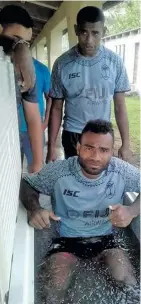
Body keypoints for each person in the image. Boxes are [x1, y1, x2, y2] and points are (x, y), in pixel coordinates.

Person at [20, 119, 140, 303]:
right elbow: (27, 183)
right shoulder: (59, 171)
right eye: (89, 147)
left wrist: (131, 211)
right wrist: (35, 209)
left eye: (104, 150)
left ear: (111, 152)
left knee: (128, 284)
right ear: (77, 147)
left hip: (106, 240)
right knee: (53, 291)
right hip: (66, 241)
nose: (95, 156)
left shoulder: (120, 171)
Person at [47, 6, 131, 163]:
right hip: (73, 134)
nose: (89, 40)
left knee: (100, 180)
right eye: (84, 32)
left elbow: (120, 107)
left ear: (104, 31)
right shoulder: (62, 64)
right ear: (76, 30)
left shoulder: (115, 62)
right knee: (76, 179)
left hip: (103, 134)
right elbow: (56, 108)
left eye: (95, 33)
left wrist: (126, 144)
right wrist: (52, 147)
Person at [0, 5, 43, 173]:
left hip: (9, 148)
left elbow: (33, 117)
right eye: (16, 38)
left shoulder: (26, 71)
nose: (19, 46)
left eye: (26, 43)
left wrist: (38, 162)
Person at [19, 57, 51, 168]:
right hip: (11, 129)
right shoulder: (7, 65)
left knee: (36, 168)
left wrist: (46, 122)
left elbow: (50, 98)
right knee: (11, 170)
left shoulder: (42, 69)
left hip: (35, 128)